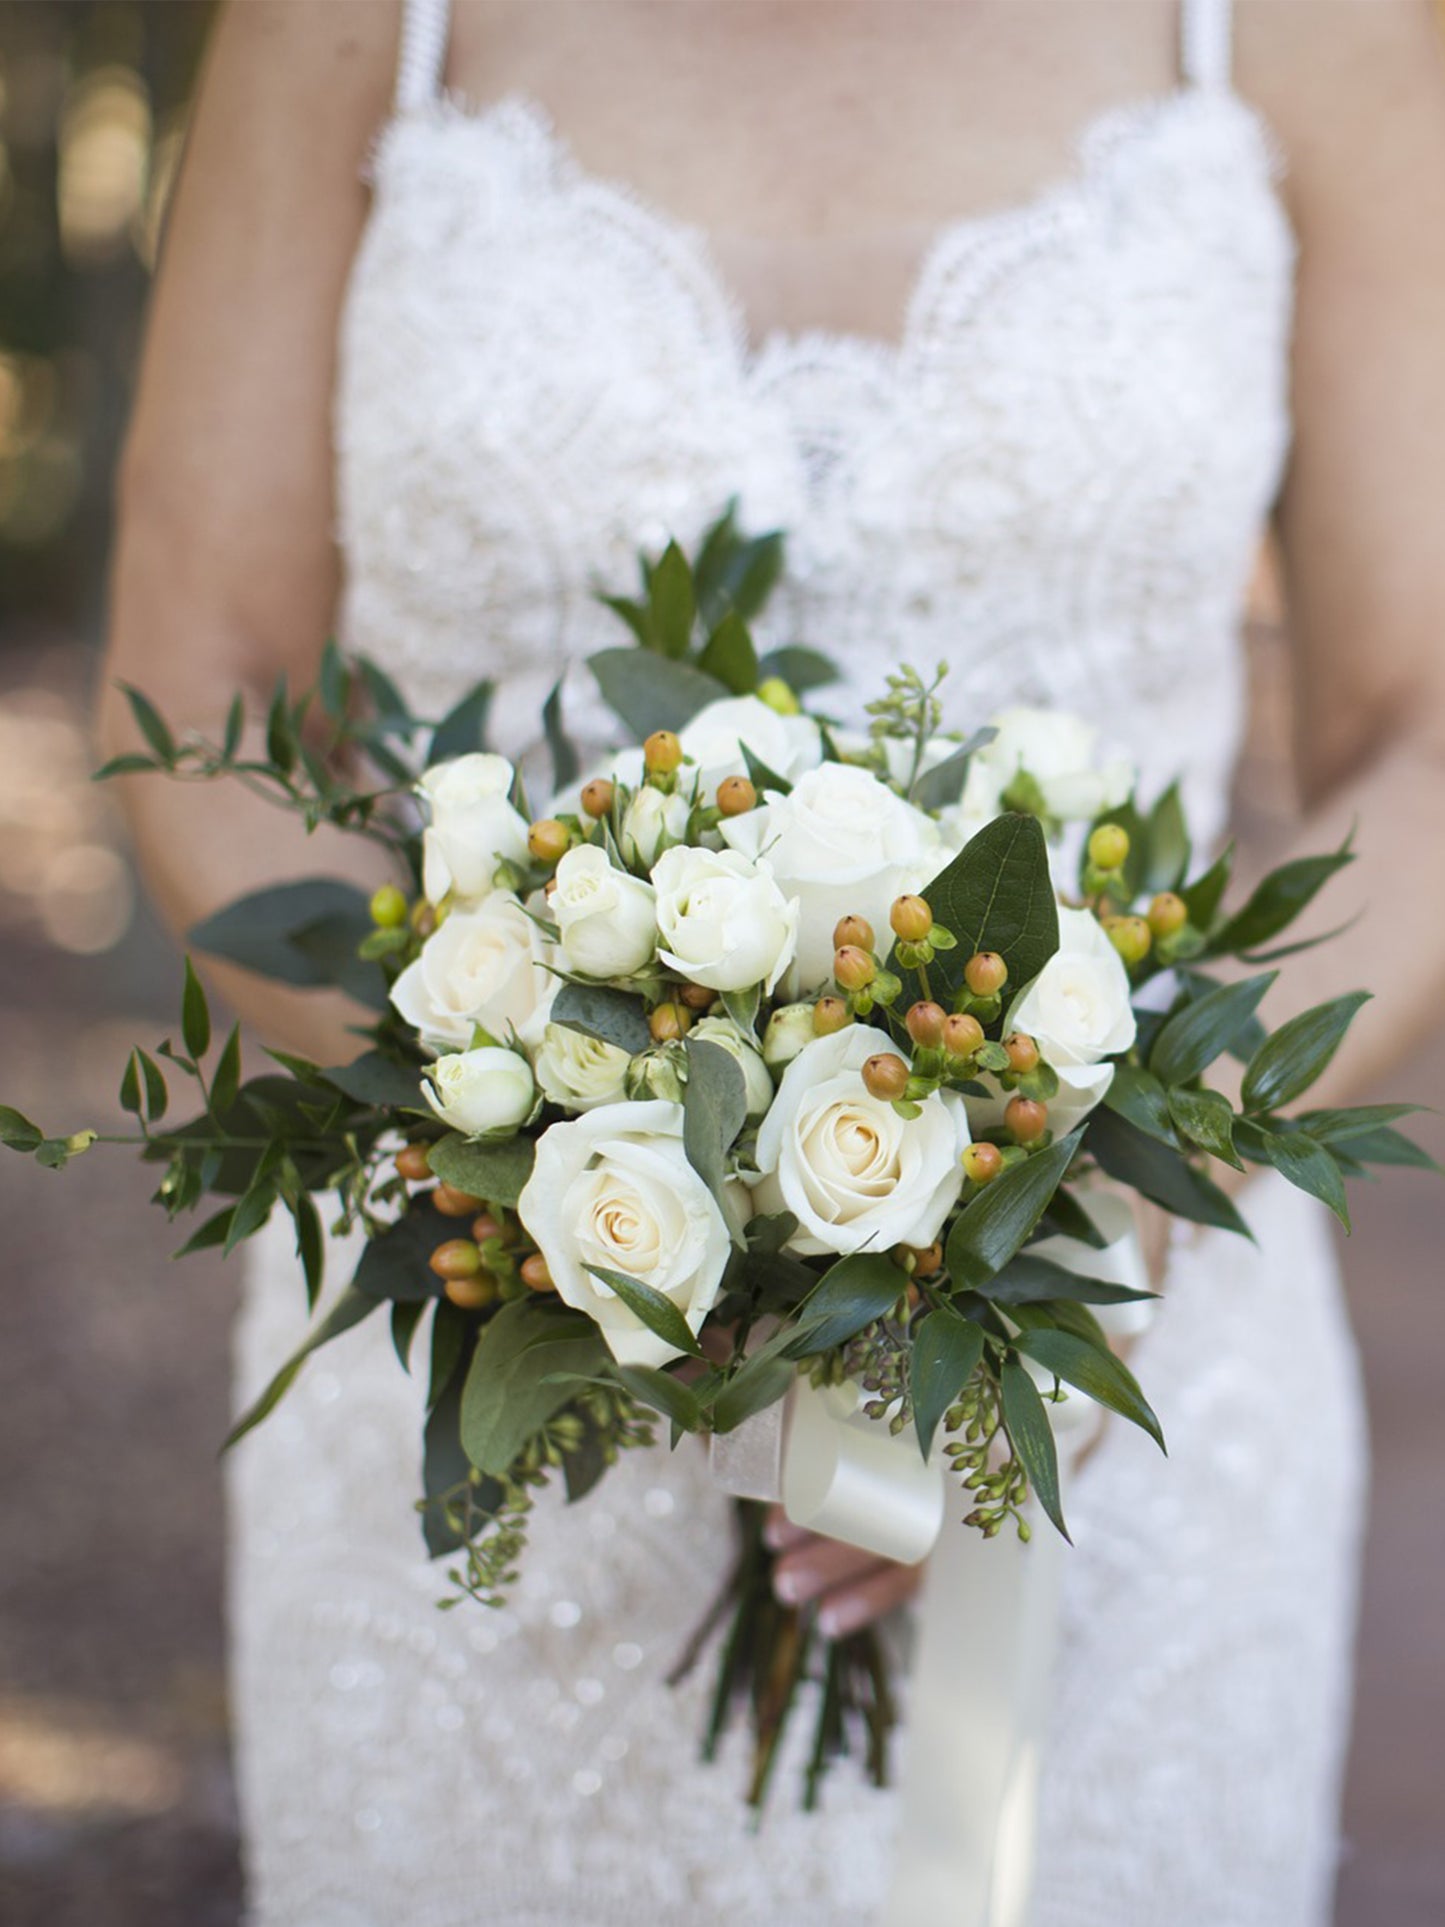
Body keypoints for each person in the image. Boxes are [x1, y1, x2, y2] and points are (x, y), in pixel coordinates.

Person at [98, 1, 1445, 1921]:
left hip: (1115, 1386)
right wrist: (557, 1156)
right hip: (500, 1345)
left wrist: (1092, 1212)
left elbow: (1423, 733)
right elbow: (197, 675)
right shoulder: (347, 28)